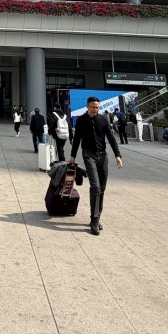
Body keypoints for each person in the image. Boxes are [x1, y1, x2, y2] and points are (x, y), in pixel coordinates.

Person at [70, 97, 123, 236]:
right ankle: (94, 221)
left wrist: (118, 155)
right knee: (95, 187)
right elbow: (77, 139)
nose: (95, 109)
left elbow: (111, 138)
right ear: (87, 106)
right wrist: (72, 156)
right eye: (93, 107)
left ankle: (97, 217)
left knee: (102, 189)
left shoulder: (103, 120)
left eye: (97, 107)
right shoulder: (81, 120)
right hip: (89, 155)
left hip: (102, 156)